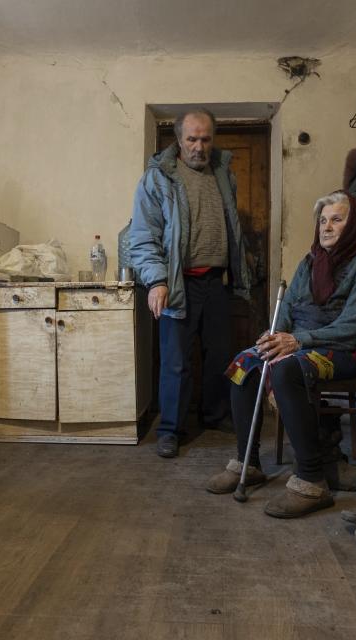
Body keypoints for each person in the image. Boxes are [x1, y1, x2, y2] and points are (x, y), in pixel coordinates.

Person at [206, 190, 356, 518]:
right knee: (245, 363)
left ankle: (311, 480)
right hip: (302, 342)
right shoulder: (310, 261)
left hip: (351, 350)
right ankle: (248, 463)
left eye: (337, 219)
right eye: (322, 221)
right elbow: (288, 307)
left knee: (286, 369)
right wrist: (272, 336)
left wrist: (298, 341)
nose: (327, 227)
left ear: (355, 224)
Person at [130, 108, 250, 458]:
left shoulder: (224, 174)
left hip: (216, 283)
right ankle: (171, 429)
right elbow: (143, 237)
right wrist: (156, 281)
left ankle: (214, 415)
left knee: (219, 357)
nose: (199, 146)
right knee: (176, 361)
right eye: (192, 139)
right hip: (177, 284)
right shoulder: (157, 178)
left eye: (206, 139)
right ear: (179, 140)